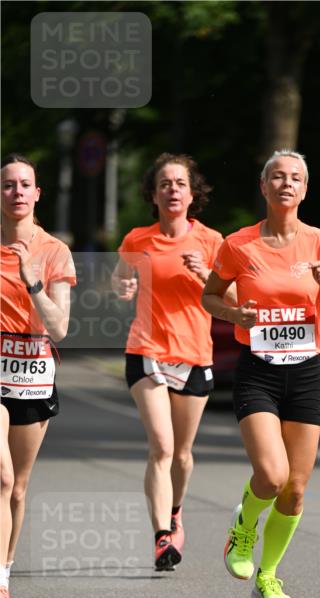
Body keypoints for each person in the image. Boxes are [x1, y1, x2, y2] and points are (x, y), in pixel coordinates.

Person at [202, 149, 320, 598]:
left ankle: (268, 577)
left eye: (296, 178)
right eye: (278, 177)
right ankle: (242, 528)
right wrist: (234, 312)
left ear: (305, 191)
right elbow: (210, 296)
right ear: (264, 187)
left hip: (307, 372)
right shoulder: (238, 245)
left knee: (296, 488)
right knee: (271, 475)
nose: (287, 184)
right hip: (259, 371)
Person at [112, 153, 231, 571]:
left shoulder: (213, 242)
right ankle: (163, 536)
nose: (173, 190)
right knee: (161, 446)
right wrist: (123, 287)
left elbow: (233, 302)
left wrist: (205, 275)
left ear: (193, 192)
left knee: (182, 453)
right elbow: (119, 279)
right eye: (165, 183)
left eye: (180, 183)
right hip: (146, 350)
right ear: (153, 193)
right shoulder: (137, 240)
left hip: (195, 354)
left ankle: (175, 510)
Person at [1, 153, 76, 598]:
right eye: (8, 185)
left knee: (18, 487)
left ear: (38, 193)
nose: (17, 193)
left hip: (33, 374)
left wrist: (33, 284)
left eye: (25, 185)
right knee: (1, 477)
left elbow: (61, 328)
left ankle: (4, 571)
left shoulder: (54, 252)